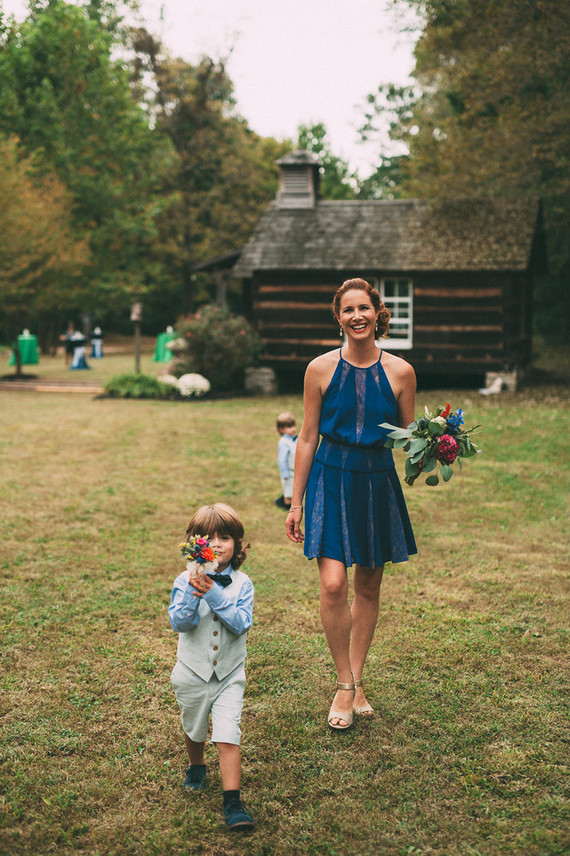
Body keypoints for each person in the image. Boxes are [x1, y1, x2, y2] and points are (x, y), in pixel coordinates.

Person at [286, 278, 417, 731]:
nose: (357, 316)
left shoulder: (401, 372)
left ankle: (356, 678)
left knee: (369, 584)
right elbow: (306, 437)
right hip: (330, 477)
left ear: (376, 313)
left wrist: (437, 443)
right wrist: (296, 502)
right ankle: (345, 685)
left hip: (376, 482)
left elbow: (408, 436)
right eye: (348, 310)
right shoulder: (318, 369)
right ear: (338, 317)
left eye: (364, 308)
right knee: (333, 584)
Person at [169, 503, 255, 830]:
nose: (217, 544)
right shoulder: (185, 579)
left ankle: (233, 803)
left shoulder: (242, 584)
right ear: (195, 544)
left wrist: (214, 595)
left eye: (226, 537)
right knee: (194, 725)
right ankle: (196, 764)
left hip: (229, 674)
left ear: (237, 545)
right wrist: (195, 589)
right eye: (208, 538)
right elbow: (180, 622)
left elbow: (240, 624)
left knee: (227, 733)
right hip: (191, 671)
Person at [275, 412, 298, 510]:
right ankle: (286, 505)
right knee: (288, 491)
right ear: (281, 429)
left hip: (295, 470)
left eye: (293, 426)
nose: (293, 428)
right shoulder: (284, 443)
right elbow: (282, 459)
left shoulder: (296, 439)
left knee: (293, 489)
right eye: (289, 427)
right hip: (288, 472)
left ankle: (283, 500)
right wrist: (285, 473)